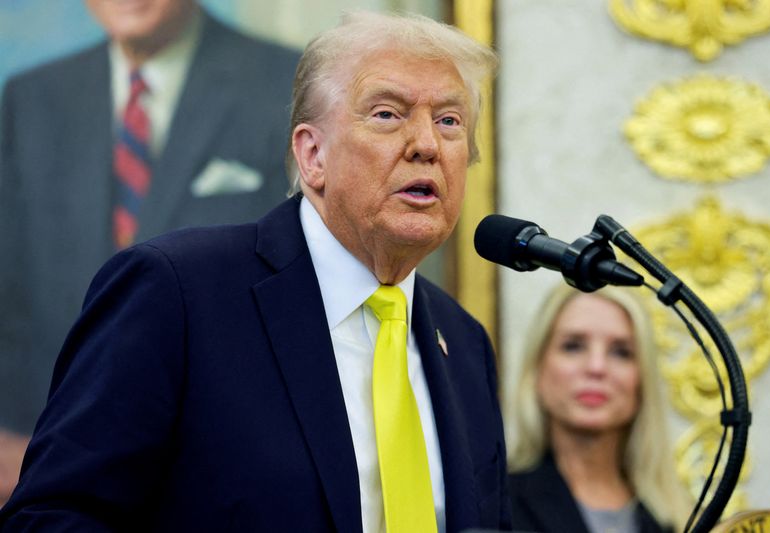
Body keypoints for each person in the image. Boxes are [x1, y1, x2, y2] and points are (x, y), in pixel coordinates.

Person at [0, 11, 510, 532]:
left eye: (449, 121)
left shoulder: (465, 346)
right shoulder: (176, 293)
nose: (426, 144)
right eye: (387, 114)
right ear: (312, 155)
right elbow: (50, 518)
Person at [0, 0, 299, 505]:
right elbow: (10, 292)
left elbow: (300, 295)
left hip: (227, 465)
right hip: (49, 462)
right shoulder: (31, 99)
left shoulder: (286, 84)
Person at [504, 284, 690, 533]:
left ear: (642, 381)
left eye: (621, 352)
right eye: (573, 346)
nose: (596, 367)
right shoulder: (496, 504)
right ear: (538, 370)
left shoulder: (682, 517)